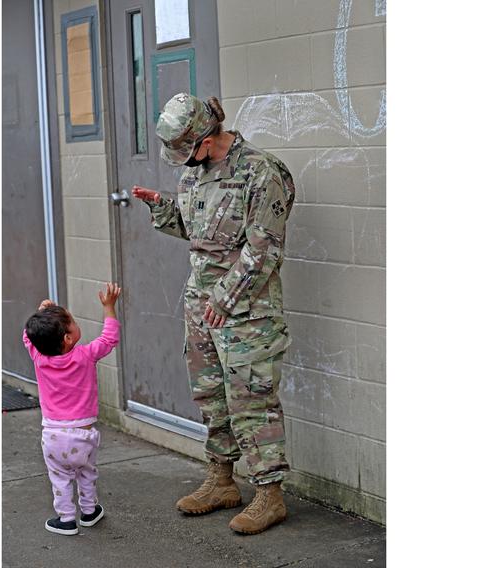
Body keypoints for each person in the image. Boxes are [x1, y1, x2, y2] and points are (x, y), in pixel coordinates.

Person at [131, 93, 296, 535]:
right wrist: (162, 208)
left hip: (247, 311)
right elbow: (196, 231)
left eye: (187, 150)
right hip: (201, 305)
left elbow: (263, 250)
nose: (184, 161)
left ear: (206, 137)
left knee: (251, 400)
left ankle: (269, 494)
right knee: (211, 395)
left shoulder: (261, 172)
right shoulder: (194, 175)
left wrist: (224, 300)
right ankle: (222, 480)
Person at [22, 283, 122, 536]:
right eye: (73, 322)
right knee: (86, 473)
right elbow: (109, 339)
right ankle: (89, 512)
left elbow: (28, 336)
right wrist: (109, 308)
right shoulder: (85, 356)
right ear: (68, 338)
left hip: (53, 437)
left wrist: (42, 313)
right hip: (84, 434)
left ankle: (66, 519)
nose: (76, 323)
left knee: (60, 479)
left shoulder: (39, 357)